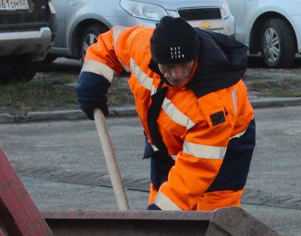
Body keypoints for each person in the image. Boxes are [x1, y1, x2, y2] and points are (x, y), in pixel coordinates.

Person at [76, 16, 256, 210]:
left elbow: (194, 171)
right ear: (154, 58)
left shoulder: (213, 104)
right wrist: (93, 79)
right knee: (161, 192)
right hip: (165, 136)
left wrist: (160, 216)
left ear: (195, 56)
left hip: (225, 146)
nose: (177, 75)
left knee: (211, 213)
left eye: (185, 65)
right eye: (169, 67)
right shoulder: (142, 46)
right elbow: (111, 42)